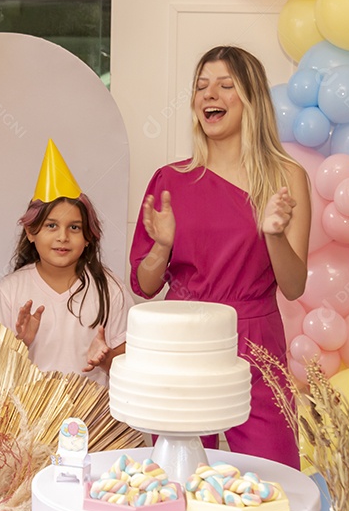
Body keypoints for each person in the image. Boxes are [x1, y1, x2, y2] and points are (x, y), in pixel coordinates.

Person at [129, 45, 310, 467]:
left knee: (274, 475)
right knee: (179, 475)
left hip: (257, 338)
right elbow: (144, 286)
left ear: (252, 99)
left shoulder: (287, 177)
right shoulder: (170, 179)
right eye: (201, 86)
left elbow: (294, 285)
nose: (210, 94)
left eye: (226, 85)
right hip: (184, 340)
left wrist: (274, 234)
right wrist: (162, 247)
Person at [0, 140, 130, 387]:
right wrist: (19, 345)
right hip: (27, 411)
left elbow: (133, 368)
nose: (63, 237)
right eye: (51, 226)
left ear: (88, 237)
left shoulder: (110, 290)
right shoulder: (8, 292)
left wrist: (105, 360)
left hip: (93, 411)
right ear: (31, 232)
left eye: (74, 227)